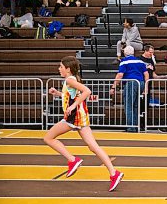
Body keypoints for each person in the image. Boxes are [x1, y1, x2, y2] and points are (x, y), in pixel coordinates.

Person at [44, 56, 124, 191]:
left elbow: (87, 91)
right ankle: (113, 173)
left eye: (61, 67)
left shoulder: (69, 79)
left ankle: (72, 160)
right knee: (93, 146)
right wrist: (57, 93)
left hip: (74, 117)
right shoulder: (72, 79)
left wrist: (73, 106)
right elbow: (72, 95)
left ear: (67, 69)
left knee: (48, 138)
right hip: (81, 116)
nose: (59, 69)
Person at [111, 46, 149, 132]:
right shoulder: (140, 61)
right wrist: (146, 87)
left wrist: (113, 86)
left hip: (131, 82)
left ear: (125, 53)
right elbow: (146, 74)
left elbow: (120, 75)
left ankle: (131, 127)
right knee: (135, 105)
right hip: (141, 82)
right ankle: (135, 126)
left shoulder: (124, 61)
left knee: (129, 105)